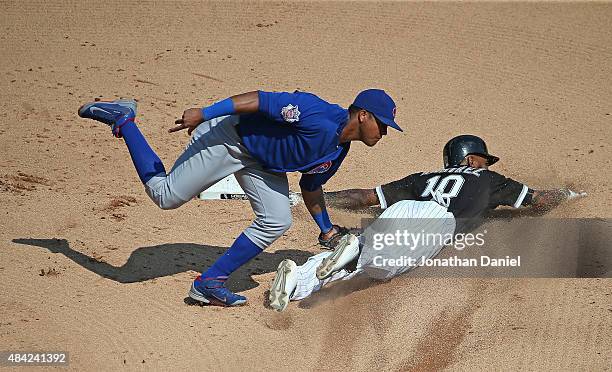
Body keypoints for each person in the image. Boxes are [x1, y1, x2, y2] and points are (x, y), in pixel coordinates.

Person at [77, 89, 402, 306]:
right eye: (382, 125)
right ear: (362, 115)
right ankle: (125, 120)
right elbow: (260, 100)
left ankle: (209, 281)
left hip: (264, 165)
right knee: (165, 195)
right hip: (229, 138)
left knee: (277, 219)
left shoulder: (337, 150)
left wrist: (327, 230)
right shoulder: (316, 115)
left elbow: (311, 187)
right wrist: (205, 113)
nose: (384, 133)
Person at [269, 134, 587, 311]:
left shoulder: (424, 177)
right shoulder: (489, 179)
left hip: (405, 209)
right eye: (483, 159)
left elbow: (366, 197)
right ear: (472, 158)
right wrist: (572, 194)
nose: (485, 164)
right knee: (381, 268)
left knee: (357, 255)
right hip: (436, 225)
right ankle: (355, 251)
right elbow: (538, 201)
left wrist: (310, 199)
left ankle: (298, 279)